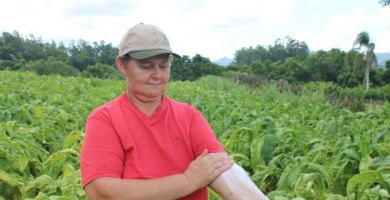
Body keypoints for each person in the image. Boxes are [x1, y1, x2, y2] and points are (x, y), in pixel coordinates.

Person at [80, 23, 268, 200]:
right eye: (146, 66)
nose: (157, 75)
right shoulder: (106, 119)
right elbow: (101, 191)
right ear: (122, 65)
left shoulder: (189, 117)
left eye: (164, 66)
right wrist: (188, 181)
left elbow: (220, 168)